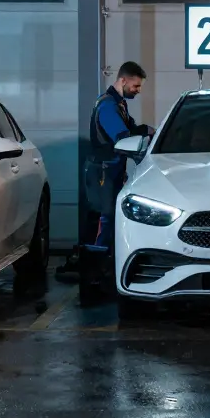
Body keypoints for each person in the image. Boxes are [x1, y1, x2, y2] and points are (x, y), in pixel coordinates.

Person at [58, 62, 155, 288]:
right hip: (102, 171)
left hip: (110, 170)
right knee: (104, 218)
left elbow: (132, 128)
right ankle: (94, 271)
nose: (138, 90)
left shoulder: (119, 104)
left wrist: (148, 131)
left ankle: (101, 266)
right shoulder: (108, 107)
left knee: (108, 217)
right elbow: (123, 138)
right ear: (123, 81)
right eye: (136, 86)